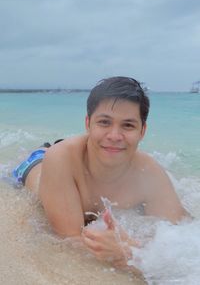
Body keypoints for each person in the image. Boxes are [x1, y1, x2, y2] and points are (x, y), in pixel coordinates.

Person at [13, 76, 187, 272]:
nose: (114, 136)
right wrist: (131, 256)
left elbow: (183, 235)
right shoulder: (60, 159)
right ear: (88, 124)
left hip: (87, 150)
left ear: (142, 131)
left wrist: (134, 251)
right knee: (41, 157)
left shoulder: (149, 170)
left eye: (128, 125)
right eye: (104, 122)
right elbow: (69, 240)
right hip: (35, 166)